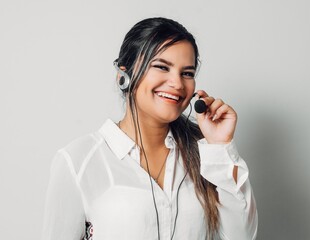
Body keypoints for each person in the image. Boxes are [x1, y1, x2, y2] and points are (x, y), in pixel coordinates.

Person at [41, 17, 258, 240]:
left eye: (187, 73)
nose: (177, 83)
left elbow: (241, 236)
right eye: (162, 67)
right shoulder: (78, 160)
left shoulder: (208, 155)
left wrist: (220, 146)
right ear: (123, 76)